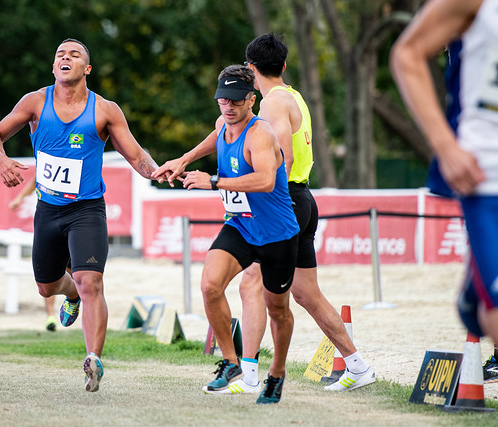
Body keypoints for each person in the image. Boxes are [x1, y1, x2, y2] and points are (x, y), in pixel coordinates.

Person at [154, 34, 375, 393]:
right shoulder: (292, 96)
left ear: (251, 70)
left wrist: (230, 183)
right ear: (283, 66)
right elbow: (224, 133)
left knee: (250, 285)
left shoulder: (270, 106)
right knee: (306, 295)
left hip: (279, 205)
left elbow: (280, 161)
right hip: (300, 198)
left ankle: (250, 375)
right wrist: (184, 159)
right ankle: (358, 365)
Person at [0, 38, 166, 392]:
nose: (66, 58)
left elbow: (135, 156)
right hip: (49, 210)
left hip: (86, 210)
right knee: (45, 287)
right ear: (54, 68)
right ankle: (69, 295)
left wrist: (159, 172)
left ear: (87, 69)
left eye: (75, 55)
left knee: (91, 281)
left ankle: (93, 359)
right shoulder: (35, 103)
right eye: (60, 55)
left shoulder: (105, 110)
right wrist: (1, 160)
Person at [155, 64, 300, 404]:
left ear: (252, 99)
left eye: (236, 101)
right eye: (222, 100)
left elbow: (265, 180)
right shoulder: (224, 122)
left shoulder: (260, 133)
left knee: (277, 309)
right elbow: (215, 137)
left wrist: (213, 182)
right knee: (209, 285)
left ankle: (276, 373)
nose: (228, 107)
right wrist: (184, 158)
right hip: (240, 224)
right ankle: (232, 363)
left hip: (277, 233)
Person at [391, 0, 498, 345]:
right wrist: (445, 145)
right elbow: (407, 54)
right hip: (486, 172)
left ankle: (474, 287)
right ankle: (481, 291)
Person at [8, 177, 63, 332]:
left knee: (72, 275)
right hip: (49, 220)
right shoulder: (49, 158)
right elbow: (36, 179)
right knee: (51, 275)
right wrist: (19, 198)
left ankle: (71, 302)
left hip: (73, 219)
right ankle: (51, 316)